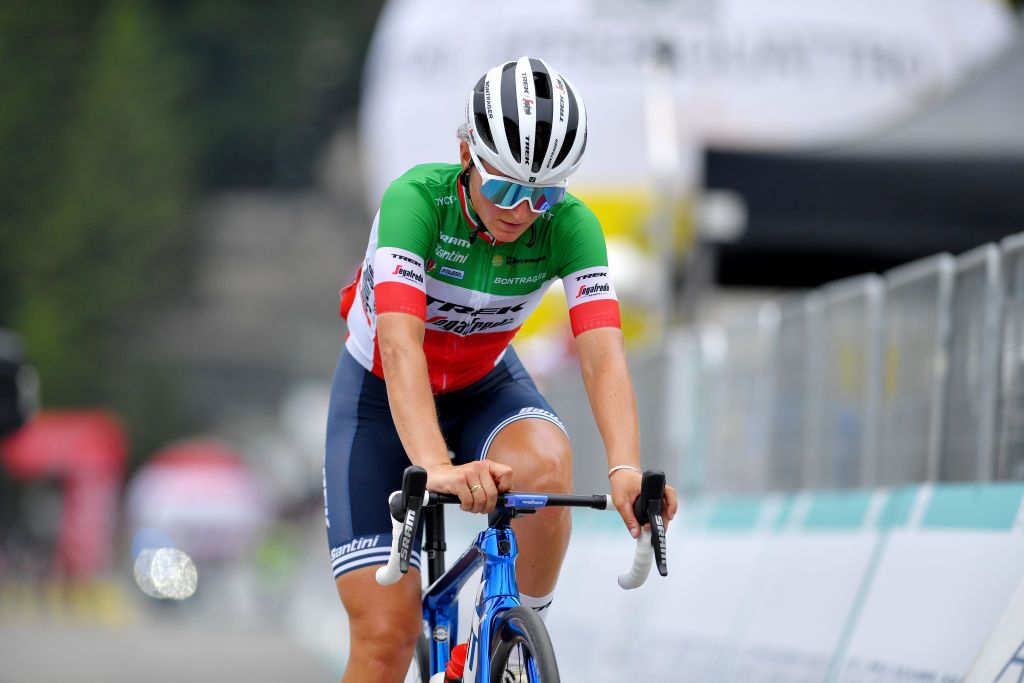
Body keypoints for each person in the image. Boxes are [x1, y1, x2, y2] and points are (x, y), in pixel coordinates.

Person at [324, 56, 678, 682]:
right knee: (385, 637)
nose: (522, 210)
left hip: (484, 384)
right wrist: (435, 465)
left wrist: (625, 467)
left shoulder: (571, 227)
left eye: (543, 193)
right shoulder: (415, 202)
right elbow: (402, 349)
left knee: (547, 465)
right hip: (381, 397)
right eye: (506, 187)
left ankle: (504, 649)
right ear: (466, 152)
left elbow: (602, 353)